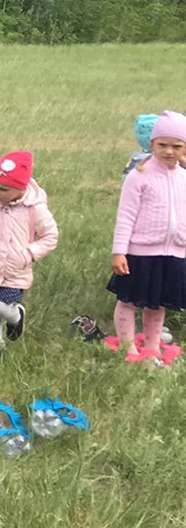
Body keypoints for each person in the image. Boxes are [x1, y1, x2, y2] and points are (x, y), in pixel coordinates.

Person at [109, 110, 186, 362]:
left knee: (157, 303)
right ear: (151, 143)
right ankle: (128, 346)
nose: (169, 151)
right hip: (139, 251)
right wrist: (119, 250)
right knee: (129, 300)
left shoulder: (184, 178)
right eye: (162, 144)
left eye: (177, 146)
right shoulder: (139, 175)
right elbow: (126, 215)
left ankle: (152, 347)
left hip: (173, 251)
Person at [0, 151, 59, 346]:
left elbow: (50, 236)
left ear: (20, 188)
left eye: (3, 189)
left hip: (14, 272)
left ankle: (16, 316)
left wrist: (28, 255)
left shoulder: (35, 209)